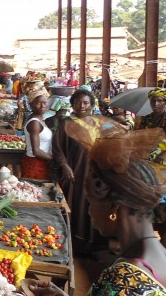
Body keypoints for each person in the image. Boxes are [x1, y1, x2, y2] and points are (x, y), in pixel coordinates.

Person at [28, 119, 166, 296]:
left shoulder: (124, 279)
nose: (88, 211)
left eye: (90, 202)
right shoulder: (158, 255)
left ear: (114, 208)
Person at [52, 89, 97, 254]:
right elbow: (57, 148)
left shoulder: (96, 123)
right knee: (74, 205)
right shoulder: (66, 124)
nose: (82, 106)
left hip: (92, 174)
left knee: (90, 207)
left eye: (86, 102)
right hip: (74, 172)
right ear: (72, 104)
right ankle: (71, 247)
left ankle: (89, 247)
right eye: (78, 102)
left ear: (91, 104)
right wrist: (64, 165)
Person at [22, 89, 53, 180]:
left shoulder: (40, 120)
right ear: (31, 105)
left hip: (41, 162)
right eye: (38, 103)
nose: (42, 106)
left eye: (44, 102)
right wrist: (54, 159)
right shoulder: (34, 123)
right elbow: (36, 151)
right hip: (35, 164)